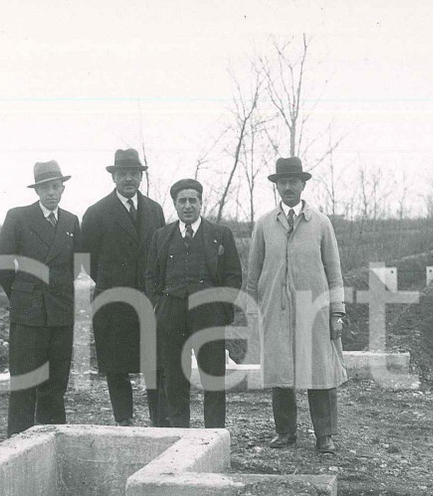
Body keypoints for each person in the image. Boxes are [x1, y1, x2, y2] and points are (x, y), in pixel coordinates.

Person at [245, 156, 347, 453]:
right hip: (275, 309)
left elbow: (334, 270)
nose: (288, 187)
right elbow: (254, 272)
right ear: (276, 186)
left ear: (303, 185)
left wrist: (336, 312)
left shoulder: (320, 223)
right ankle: (285, 431)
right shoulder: (264, 224)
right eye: (282, 182)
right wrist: (254, 310)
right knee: (280, 371)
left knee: (319, 371)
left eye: (293, 181)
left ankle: (324, 434)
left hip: (314, 310)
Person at [80, 149, 167, 426]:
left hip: (149, 300)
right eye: (123, 174)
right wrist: (111, 280)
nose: (129, 179)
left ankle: (159, 420)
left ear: (141, 176)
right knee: (117, 366)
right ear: (114, 176)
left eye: (134, 173)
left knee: (154, 363)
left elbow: (160, 252)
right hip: (112, 301)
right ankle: (124, 419)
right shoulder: (96, 213)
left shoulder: (154, 210)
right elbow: (87, 259)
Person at [146, 179, 242, 428]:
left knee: (213, 376)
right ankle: (180, 433)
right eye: (182, 201)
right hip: (171, 314)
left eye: (192, 200)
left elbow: (233, 275)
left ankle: (214, 434)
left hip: (209, 314)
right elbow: (151, 276)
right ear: (175, 205)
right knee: (175, 377)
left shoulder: (220, 235)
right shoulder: (161, 236)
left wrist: (221, 309)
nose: (187, 206)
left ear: (201, 203)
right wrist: (159, 306)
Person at [0, 160, 80, 435]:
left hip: (60, 312)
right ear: (37, 191)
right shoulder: (18, 217)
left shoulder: (70, 221)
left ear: (63, 189)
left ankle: (52, 442)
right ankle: (16, 446)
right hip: (28, 314)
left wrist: (57, 291)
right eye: (45, 188)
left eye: (56, 186)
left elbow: (73, 266)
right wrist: (22, 294)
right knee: (25, 384)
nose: (51, 193)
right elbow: (1, 264)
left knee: (55, 385)